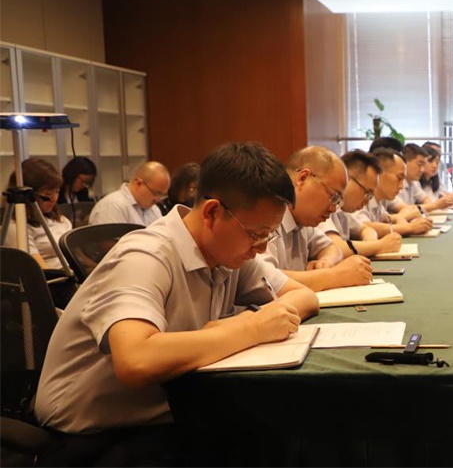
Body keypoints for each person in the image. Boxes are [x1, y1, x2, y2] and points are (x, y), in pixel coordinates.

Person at [33, 142, 319, 466]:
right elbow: (136, 360)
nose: (262, 247)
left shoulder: (229, 254)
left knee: (289, 431)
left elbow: (304, 296)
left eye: (269, 234)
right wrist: (250, 329)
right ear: (212, 212)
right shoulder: (146, 256)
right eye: (257, 234)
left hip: (168, 412)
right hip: (93, 434)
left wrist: (255, 322)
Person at [261, 146, 373, 291]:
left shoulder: (302, 220)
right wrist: (334, 276)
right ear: (302, 178)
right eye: (333, 196)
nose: (333, 208)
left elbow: (332, 248)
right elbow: (264, 279)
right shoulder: (266, 214)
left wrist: (325, 262)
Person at [321, 150, 403, 257]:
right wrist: (379, 246)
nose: (367, 201)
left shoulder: (341, 209)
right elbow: (334, 247)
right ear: (346, 179)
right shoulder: (322, 206)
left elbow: (366, 229)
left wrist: (370, 244)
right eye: (367, 192)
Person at [3, 158, 73, 270]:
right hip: (55, 277)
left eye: (57, 192)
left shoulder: (59, 219)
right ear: (28, 197)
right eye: (47, 194)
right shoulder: (17, 229)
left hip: (74, 271)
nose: (54, 199)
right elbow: (40, 271)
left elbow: (77, 253)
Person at [353, 149, 434, 237]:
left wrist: (400, 220)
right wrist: (409, 227)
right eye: (399, 178)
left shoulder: (379, 199)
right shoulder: (359, 197)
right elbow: (362, 225)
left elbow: (389, 218)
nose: (401, 186)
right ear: (379, 173)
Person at [89, 161, 170, 226]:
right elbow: (111, 241)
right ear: (138, 183)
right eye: (156, 193)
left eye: (162, 195)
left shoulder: (154, 210)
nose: (157, 199)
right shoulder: (112, 206)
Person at [389, 143, 453, 214]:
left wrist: (433, 206)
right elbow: (406, 209)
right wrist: (435, 205)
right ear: (404, 162)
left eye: (424, 165)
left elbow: (425, 199)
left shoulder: (414, 182)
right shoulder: (392, 184)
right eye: (419, 165)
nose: (422, 170)